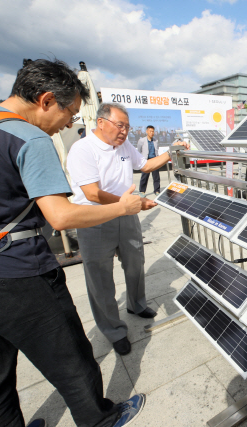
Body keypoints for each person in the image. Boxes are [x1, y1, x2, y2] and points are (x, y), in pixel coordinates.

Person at [0, 59, 146, 427]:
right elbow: (60, 216)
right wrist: (123, 207)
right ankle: (101, 419)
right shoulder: (28, 137)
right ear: (46, 100)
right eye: (70, 112)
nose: (70, 122)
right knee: (72, 358)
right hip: (19, 273)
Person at [67, 103, 189, 356]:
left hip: (127, 215)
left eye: (127, 127)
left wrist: (171, 152)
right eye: (119, 125)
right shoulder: (82, 149)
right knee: (100, 278)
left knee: (135, 262)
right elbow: (92, 193)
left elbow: (144, 165)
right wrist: (129, 203)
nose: (124, 132)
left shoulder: (124, 146)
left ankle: (136, 304)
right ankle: (113, 330)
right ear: (101, 122)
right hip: (94, 218)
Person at [136, 125, 160, 196]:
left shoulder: (156, 141)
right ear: (147, 131)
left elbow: (157, 150)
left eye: (153, 131)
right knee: (144, 177)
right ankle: (142, 191)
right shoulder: (142, 140)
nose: (152, 133)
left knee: (156, 177)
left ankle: (157, 191)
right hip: (146, 161)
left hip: (154, 160)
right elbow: (139, 150)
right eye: (150, 131)